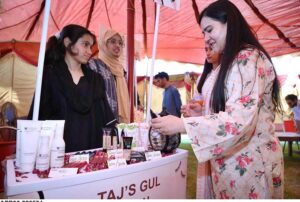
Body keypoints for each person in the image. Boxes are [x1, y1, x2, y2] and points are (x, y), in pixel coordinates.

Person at [152, 0, 283, 199]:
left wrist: (182, 125)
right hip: (232, 161)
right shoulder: (232, 61)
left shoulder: (247, 58)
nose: (206, 39)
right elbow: (232, 110)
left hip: (251, 164)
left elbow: (238, 121)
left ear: (229, 22)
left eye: (209, 29)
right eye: (203, 33)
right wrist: (202, 113)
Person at [28, 24, 115, 152]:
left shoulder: (96, 79)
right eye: (85, 44)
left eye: (90, 46)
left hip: (93, 155)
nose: (90, 51)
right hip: (58, 157)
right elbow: (38, 117)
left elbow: (106, 119)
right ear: (68, 42)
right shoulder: (50, 76)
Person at [186, 44, 221, 199]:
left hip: (220, 132)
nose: (208, 52)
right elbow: (198, 100)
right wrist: (192, 108)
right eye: (206, 49)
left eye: (211, 48)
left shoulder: (229, 73)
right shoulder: (203, 77)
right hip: (205, 132)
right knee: (205, 174)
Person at [88, 28, 130, 123]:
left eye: (120, 43)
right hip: (100, 119)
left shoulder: (121, 69)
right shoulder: (94, 65)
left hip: (119, 123)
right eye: (113, 42)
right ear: (104, 45)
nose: (117, 45)